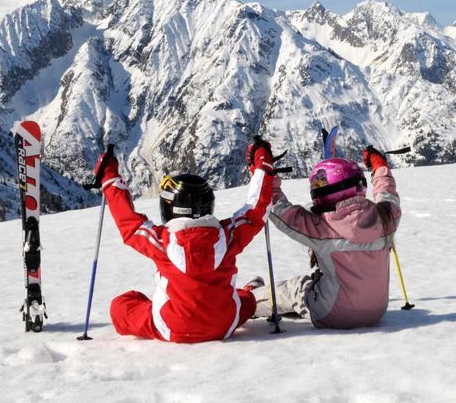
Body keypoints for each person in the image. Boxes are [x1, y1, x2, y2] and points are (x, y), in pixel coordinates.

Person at [94, 146, 276, 343]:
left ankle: (243, 295)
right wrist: (262, 164)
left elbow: (127, 221)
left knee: (122, 305)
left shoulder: (162, 241)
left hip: (172, 326)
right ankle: (249, 292)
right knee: (246, 302)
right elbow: (257, 209)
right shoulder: (229, 235)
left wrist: (108, 175)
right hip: (224, 324)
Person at [246, 139, 401, 329]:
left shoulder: (322, 227)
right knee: (319, 282)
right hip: (377, 311)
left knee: (295, 289)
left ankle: (247, 301)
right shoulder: (385, 217)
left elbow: (281, 211)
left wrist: (264, 175)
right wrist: (379, 165)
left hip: (333, 313)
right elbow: (387, 191)